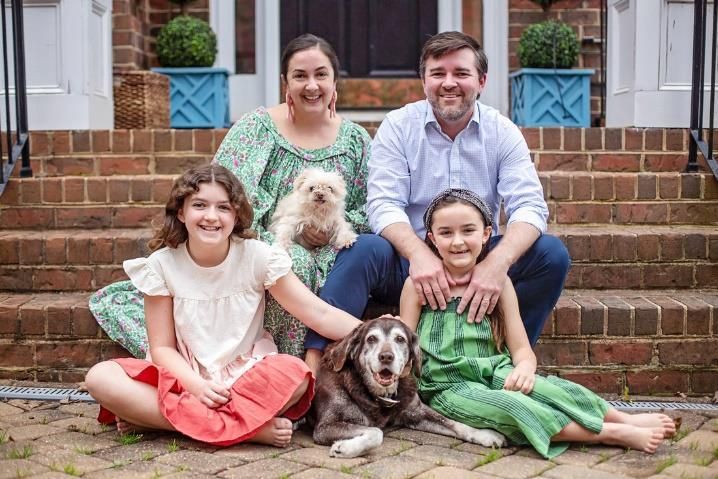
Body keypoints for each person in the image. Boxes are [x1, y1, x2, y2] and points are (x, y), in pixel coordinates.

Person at [89, 33, 371, 366]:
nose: (311, 85)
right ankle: (275, 366)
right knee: (292, 260)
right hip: (265, 242)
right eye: (300, 75)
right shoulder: (257, 129)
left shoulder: (355, 139)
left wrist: (331, 233)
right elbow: (223, 193)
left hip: (334, 250)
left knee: (315, 261)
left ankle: (293, 376)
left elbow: (369, 205)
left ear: (334, 80)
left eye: (321, 74)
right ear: (285, 81)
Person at [307, 31, 571, 354]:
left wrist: (495, 264)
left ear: (482, 81)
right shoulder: (399, 126)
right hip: (408, 261)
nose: (449, 83)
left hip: (477, 256)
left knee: (550, 255)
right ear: (424, 81)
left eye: (461, 73)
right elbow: (383, 204)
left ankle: (503, 361)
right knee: (362, 249)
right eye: (438, 74)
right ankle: (322, 363)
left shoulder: (503, 132)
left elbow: (530, 206)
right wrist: (419, 254)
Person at [84, 164, 362, 447]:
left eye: (224, 208)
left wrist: (371, 329)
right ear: (181, 212)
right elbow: (162, 348)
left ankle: (162, 421)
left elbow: (319, 313)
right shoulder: (161, 265)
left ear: (236, 215)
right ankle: (250, 429)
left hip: (244, 376)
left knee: (297, 375)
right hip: (183, 377)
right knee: (100, 378)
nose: (211, 217)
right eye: (200, 205)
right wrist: (197, 386)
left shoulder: (258, 257)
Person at [399, 188, 675, 458]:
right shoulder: (417, 287)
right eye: (446, 233)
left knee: (555, 388)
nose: (457, 241)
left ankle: (623, 419)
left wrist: (526, 369)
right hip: (448, 387)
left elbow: (520, 348)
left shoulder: (499, 284)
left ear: (486, 235)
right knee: (514, 406)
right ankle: (609, 433)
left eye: (468, 230)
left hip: (497, 372)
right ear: (432, 239)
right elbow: (405, 352)